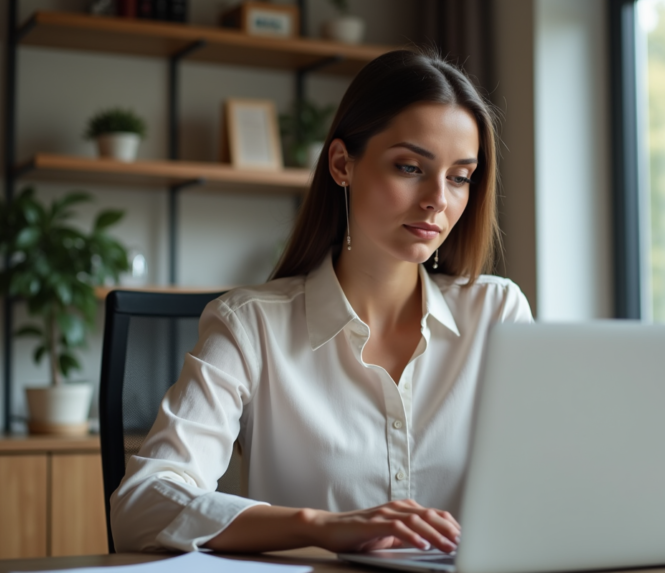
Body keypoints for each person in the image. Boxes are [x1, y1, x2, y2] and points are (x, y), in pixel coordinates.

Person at [111, 49, 533, 554]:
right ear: (341, 164)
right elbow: (141, 505)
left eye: (460, 177)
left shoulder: (497, 315)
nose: (438, 200)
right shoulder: (250, 327)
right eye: (409, 167)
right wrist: (319, 526)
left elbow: (553, 483)